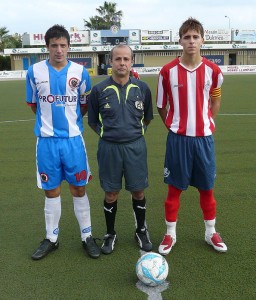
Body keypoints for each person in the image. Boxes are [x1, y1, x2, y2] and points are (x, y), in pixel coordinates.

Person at [26, 24, 100, 260]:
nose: (59, 50)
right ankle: (51, 238)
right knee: (51, 190)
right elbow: (33, 105)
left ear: (69, 47)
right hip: (47, 142)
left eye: (63, 45)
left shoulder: (80, 72)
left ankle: (87, 236)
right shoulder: (34, 72)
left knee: (79, 188)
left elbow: (84, 105)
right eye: (54, 45)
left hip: (73, 142)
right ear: (46, 47)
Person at [156, 18, 228, 255]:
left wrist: (209, 121)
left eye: (195, 36)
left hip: (204, 140)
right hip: (178, 140)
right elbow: (161, 106)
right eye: (186, 37)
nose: (191, 41)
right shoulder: (167, 72)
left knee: (207, 189)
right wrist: (173, 126)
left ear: (202, 40)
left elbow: (215, 98)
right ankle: (170, 234)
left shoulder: (213, 71)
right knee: (174, 189)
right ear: (180, 41)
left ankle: (211, 232)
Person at [88, 44, 153, 254]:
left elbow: (148, 118)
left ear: (132, 61)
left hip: (135, 147)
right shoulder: (99, 90)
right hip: (109, 149)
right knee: (111, 193)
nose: (122, 63)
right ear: (110, 62)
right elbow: (92, 121)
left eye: (126, 59)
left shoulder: (142, 88)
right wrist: (108, 135)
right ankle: (110, 233)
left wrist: (136, 133)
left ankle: (141, 230)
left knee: (138, 190)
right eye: (118, 59)